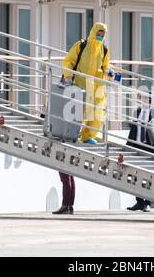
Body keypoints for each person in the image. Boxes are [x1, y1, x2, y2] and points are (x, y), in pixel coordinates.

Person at [53, 22, 111, 215]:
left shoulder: (103, 49)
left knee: (94, 114)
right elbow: (69, 60)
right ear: (94, 31)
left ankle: (88, 135)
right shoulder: (82, 45)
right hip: (78, 84)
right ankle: (76, 132)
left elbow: (105, 66)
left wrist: (109, 75)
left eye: (104, 33)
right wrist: (68, 76)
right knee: (77, 112)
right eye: (99, 32)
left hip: (94, 86)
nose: (101, 35)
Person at [126, 91, 154, 212]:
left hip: (149, 147)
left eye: (145, 99)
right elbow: (133, 130)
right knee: (135, 175)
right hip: (137, 146)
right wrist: (128, 146)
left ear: (150, 100)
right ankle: (139, 202)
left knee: (148, 177)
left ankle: (147, 202)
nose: (142, 101)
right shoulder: (137, 112)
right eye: (141, 98)